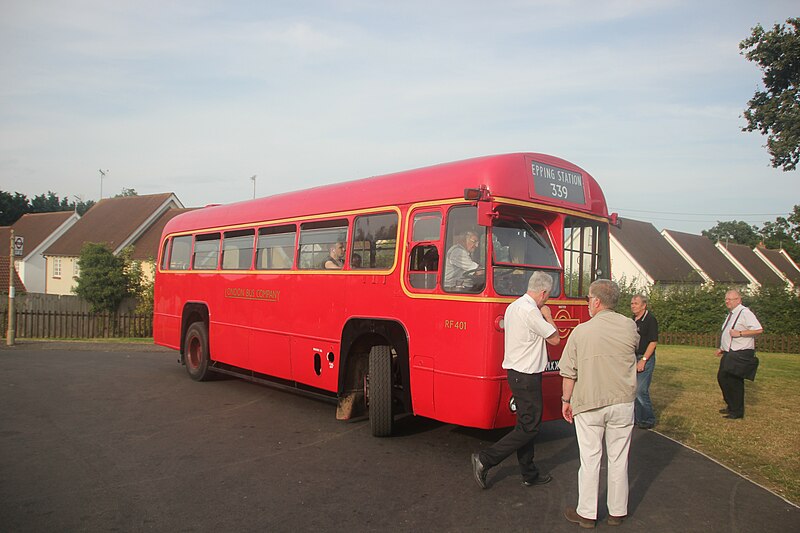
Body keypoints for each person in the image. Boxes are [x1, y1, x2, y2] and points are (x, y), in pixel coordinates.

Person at [560, 280, 639, 528]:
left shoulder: (581, 331)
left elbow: (568, 372)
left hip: (590, 402)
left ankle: (587, 513)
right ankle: (617, 511)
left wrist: (566, 400)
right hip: (622, 401)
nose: (587, 304)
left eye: (588, 300)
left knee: (591, 458)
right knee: (619, 457)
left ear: (595, 301)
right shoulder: (629, 327)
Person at [471, 271, 560, 489]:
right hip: (527, 376)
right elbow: (556, 339)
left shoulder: (513, 306)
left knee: (525, 424)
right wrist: (547, 315)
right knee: (530, 428)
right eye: (548, 296)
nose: (547, 300)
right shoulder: (532, 312)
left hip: (516, 373)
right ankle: (486, 459)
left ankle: (529, 472)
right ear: (543, 292)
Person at [716, 289, 763, 420]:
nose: (727, 301)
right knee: (723, 378)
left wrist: (740, 334)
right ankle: (731, 405)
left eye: (729, 299)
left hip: (740, 353)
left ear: (738, 300)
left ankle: (737, 411)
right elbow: (727, 332)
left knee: (734, 381)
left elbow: (758, 329)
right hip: (729, 352)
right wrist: (722, 347)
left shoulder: (745, 313)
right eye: (726, 299)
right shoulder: (732, 314)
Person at [631, 293, 658, 429]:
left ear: (644, 305)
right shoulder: (633, 320)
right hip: (633, 357)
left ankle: (648, 418)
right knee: (633, 389)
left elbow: (653, 342)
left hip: (644, 357)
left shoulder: (650, 320)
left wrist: (644, 360)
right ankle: (637, 417)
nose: (633, 306)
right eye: (632, 304)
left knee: (641, 390)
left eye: (636, 304)